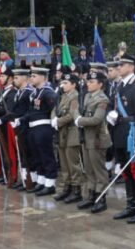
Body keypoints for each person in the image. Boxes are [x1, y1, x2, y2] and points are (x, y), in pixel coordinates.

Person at [109, 55, 135, 222]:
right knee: (126, 171)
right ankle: (131, 205)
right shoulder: (120, 86)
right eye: (118, 64)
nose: (119, 67)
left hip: (133, 135)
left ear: (132, 67)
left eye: (122, 64)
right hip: (120, 132)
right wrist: (113, 116)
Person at [75, 71, 113, 210]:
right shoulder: (86, 96)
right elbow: (78, 110)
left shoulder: (102, 99)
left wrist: (80, 120)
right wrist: (78, 117)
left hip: (97, 138)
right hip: (86, 137)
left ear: (100, 84)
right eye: (88, 81)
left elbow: (97, 119)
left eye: (92, 82)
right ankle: (91, 195)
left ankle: (101, 198)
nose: (88, 84)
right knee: (88, 169)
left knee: (99, 170)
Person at [25, 66, 59, 196]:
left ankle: (50, 183)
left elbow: (55, 108)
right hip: (33, 127)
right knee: (37, 156)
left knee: (46, 155)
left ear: (43, 77)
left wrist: (55, 121)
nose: (31, 78)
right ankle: (42, 181)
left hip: (43, 127)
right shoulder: (35, 92)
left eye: (34, 76)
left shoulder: (48, 92)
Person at [53, 72, 84, 203]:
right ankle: (67, 187)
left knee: (72, 163)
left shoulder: (75, 97)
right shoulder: (63, 96)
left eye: (66, 83)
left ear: (74, 84)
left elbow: (72, 115)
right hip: (62, 133)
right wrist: (53, 118)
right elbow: (55, 110)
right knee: (64, 163)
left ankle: (76, 190)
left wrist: (58, 122)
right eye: (62, 83)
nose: (63, 85)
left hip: (72, 133)